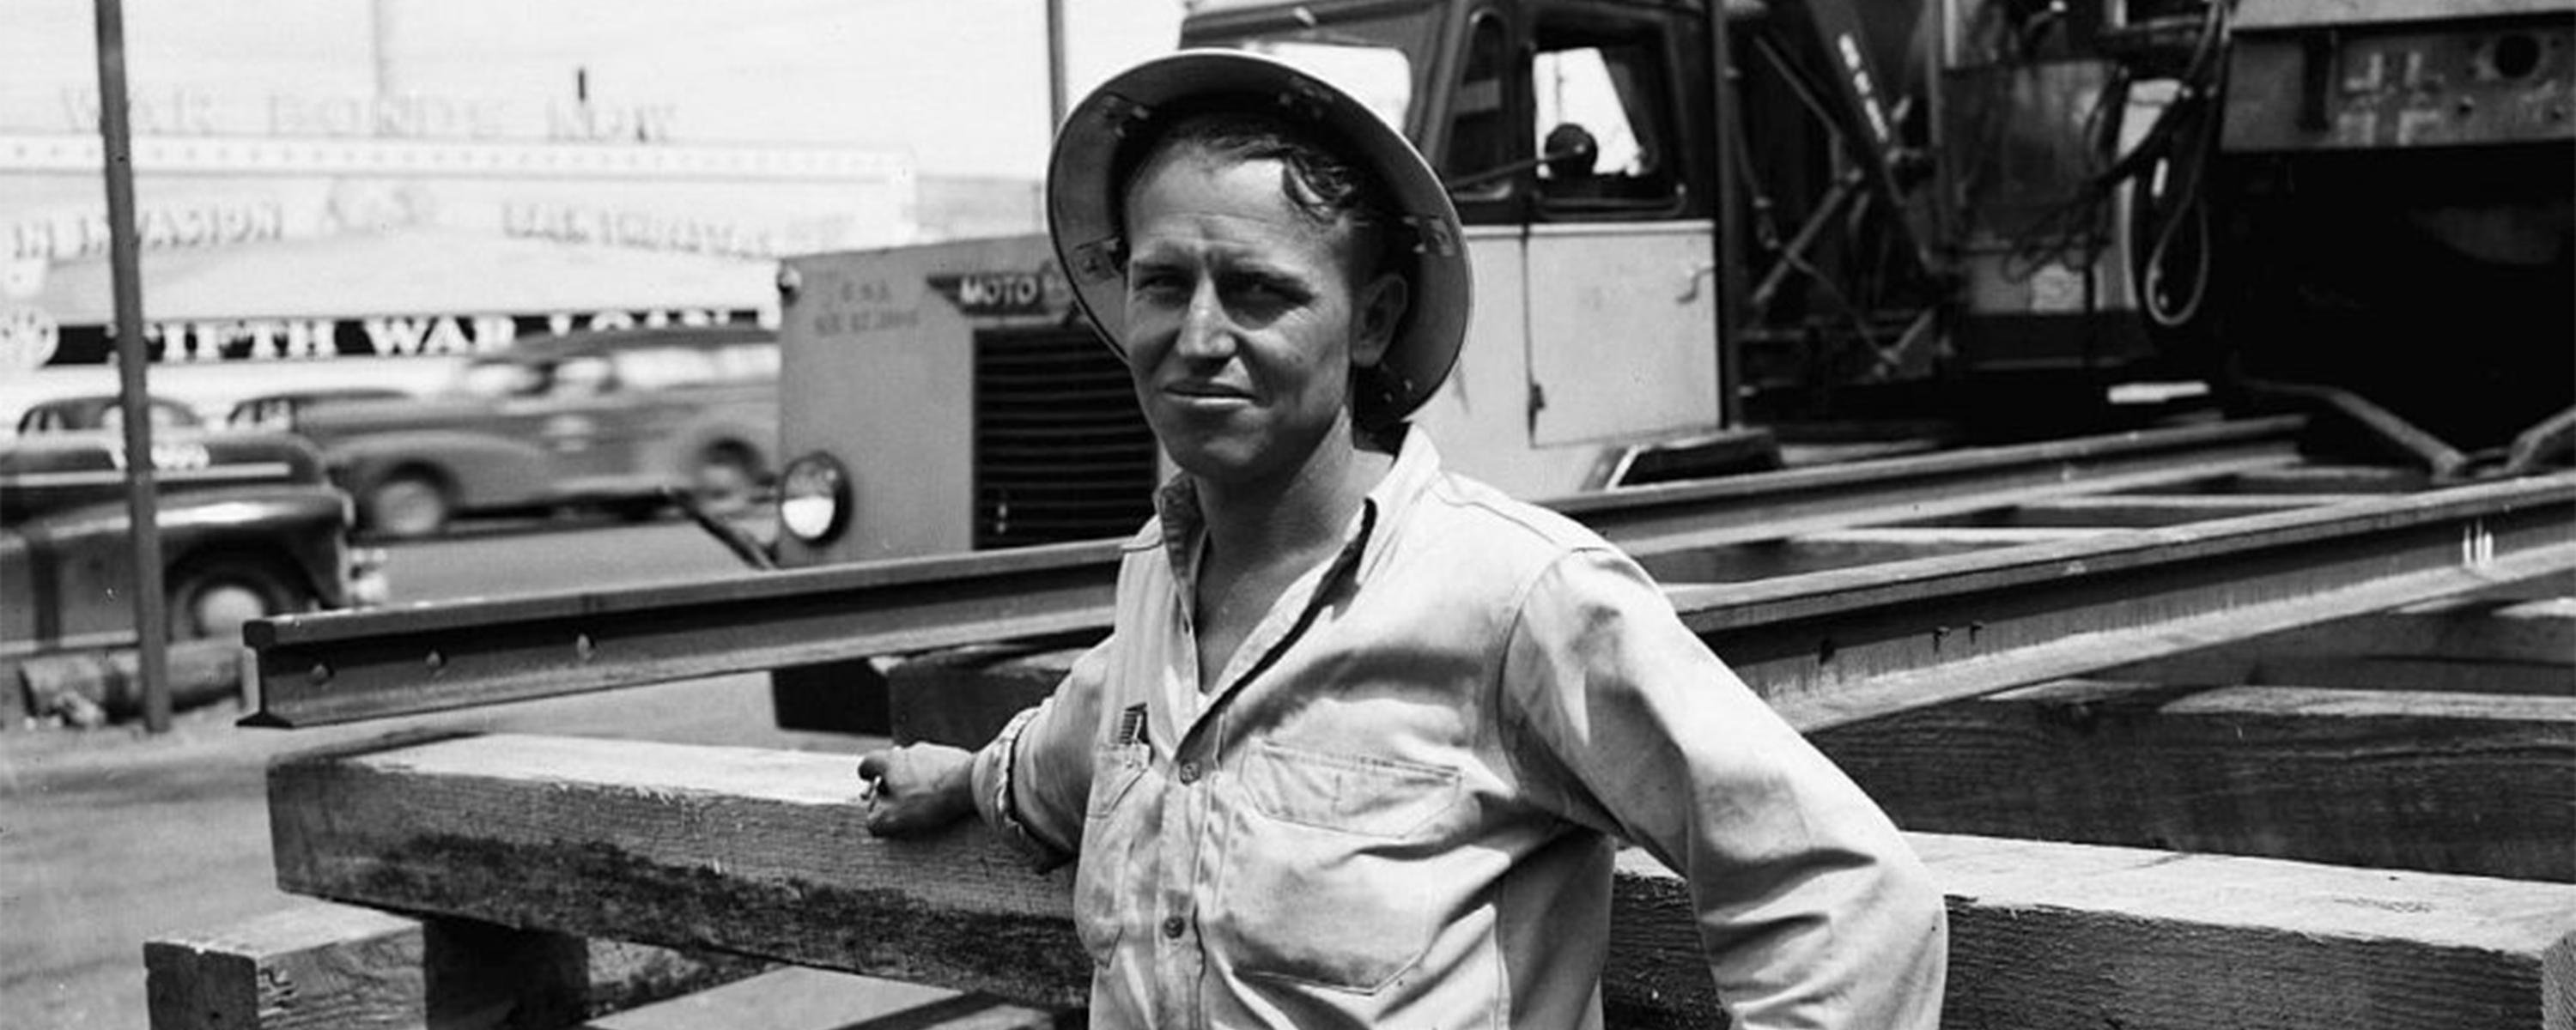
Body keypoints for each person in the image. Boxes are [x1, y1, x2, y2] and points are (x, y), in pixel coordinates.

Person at [856, 50, 1947, 1029]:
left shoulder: (1516, 597)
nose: (1196, 337)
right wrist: (966, 783)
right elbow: (1095, 737)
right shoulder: (1162, 576)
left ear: (1371, 321)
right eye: (1160, 283)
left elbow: (1846, 898)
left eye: (1257, 291)